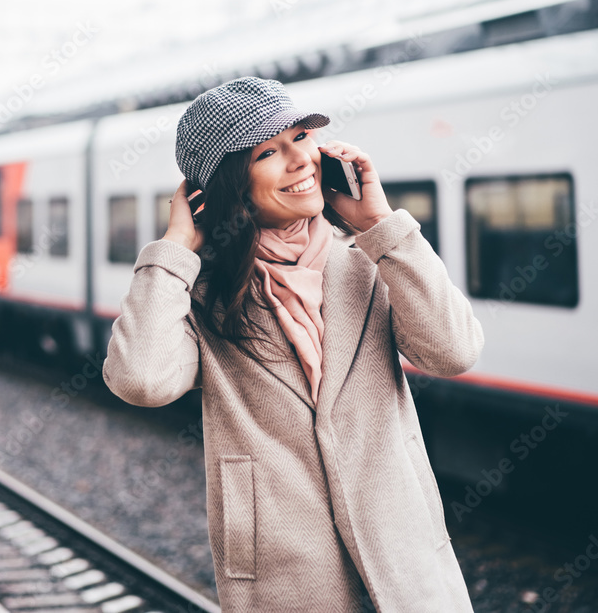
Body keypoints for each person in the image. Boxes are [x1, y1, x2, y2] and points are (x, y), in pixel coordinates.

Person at [102, 77, 484, 612]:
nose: (299, 159)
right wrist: (174, 248)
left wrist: (382, 224)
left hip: (407, 562)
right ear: (229, 185)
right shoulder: (201, 297)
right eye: (268, 152)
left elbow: (454, 351)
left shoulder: (369, 262)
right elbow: (141, 380)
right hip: (287, 577)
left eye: (302, 137)